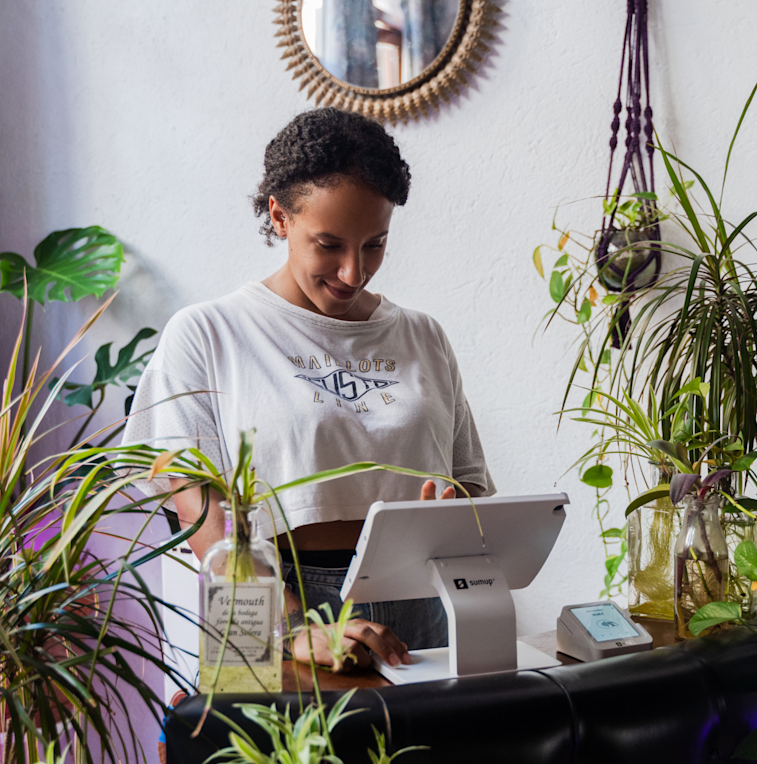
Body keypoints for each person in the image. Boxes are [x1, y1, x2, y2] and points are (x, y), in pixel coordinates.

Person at [124, 107, 494, 672]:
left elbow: (468, 481)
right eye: (329, 244)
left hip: (416, 600)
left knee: (427, 761)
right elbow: (200, 510)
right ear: (279, 216)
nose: (353, 272)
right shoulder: (208, 334)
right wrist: (293, 626)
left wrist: (445, 516)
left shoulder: (422, 336)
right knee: (266, 757)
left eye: (374, 244)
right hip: (263, 599)